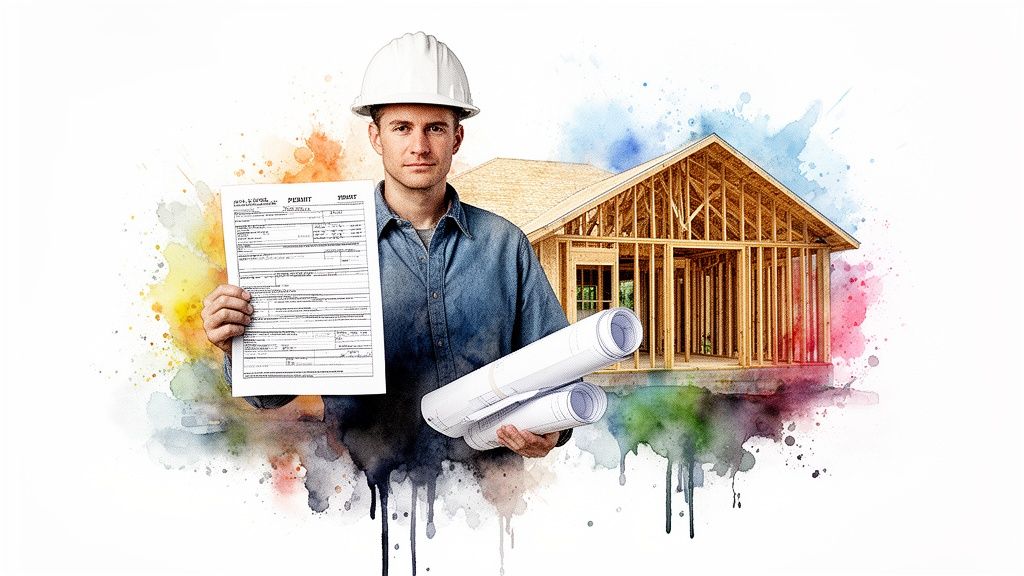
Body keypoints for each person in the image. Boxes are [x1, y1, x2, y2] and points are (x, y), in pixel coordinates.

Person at [201, 32, 571, 479]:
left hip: (483, 502)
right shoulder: (317, 243)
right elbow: (269, 398)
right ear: (376, 137)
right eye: (402, 128)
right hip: (361, 501)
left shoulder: (504, 247)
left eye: (435, 127)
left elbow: (557, 370)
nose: (419, 146)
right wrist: (238, 343)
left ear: (457, 137)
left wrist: (553, 425)